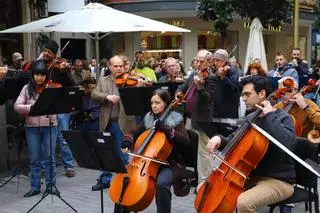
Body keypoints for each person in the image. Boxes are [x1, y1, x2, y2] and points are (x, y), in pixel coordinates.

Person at [206, 75, 296, 213]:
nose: (243, 98)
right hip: (248, 176)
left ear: (262, 94)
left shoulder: (283, 117)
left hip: (278, 180)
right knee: (205, 189)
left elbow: (288, 144)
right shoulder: (250, 118)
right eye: (242, 95)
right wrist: (218, 139)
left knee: (244, 202)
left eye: (247, 94)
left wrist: (269, 117)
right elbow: (233, 138)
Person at [116, 89, 190, 213]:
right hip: (146, 163)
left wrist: (167, 129)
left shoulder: (175, 119)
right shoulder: (149, 118)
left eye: (157, 102)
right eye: (152, 103)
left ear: (166, 103)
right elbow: (133, 132)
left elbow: (186, 140)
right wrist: (128, 140)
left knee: (161, 184)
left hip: (170, 164)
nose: (154, 106)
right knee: (124, 182)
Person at [91, 55, 136, 191]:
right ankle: (105, 180)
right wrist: (107, 96)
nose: (118, 69)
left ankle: (124, 179)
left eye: (121, 66)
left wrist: (139, 84)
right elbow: (93, 95)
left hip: (122, 123)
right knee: (104, 152)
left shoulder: (130, 80)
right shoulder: (103, 81)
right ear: (110, 67)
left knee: (123, 153)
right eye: (115, 66)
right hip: (106, 122)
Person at [14, 60, 58, 197]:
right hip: (32, 127)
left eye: (43, 75)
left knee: (50, 157)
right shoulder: (27, 88)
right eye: (37, 75)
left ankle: (51, 186)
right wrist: (31, 108)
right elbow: (17, 105)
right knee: (34, 159)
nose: (40, 78)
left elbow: (59, 104)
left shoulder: (51, 87)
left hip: (49, 125)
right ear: (33, 75)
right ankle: (35, 186)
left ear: (46, 75)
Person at [175, 49, 216, 185]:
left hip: (203, 119)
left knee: (204, 152)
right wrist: (179, 92)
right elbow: (182, 86)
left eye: (200, 61)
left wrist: (200, 87)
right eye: (196, 60)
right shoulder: (194, 74)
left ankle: (204, 182)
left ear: (209, 63)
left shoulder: (211, 77)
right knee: (193, 148)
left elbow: (208, 99)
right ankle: (195, 176)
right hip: (190, 116)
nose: (197, 63)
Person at [212, 48, 240, 136]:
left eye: (218, 60)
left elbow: (233, 88)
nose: (215, 63)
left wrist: (223, 77)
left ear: (225, 61)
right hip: (216, 113)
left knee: (228, 140)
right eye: (214, 60)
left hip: (229, 114)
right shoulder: (214, 72)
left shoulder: (233, 71)